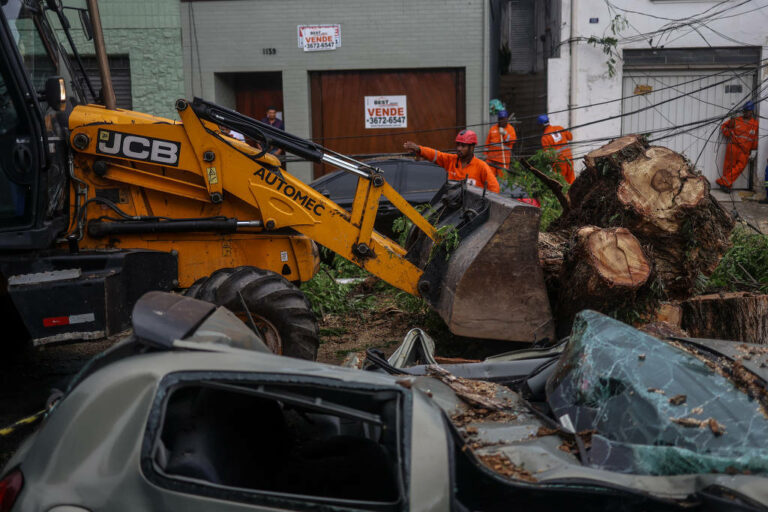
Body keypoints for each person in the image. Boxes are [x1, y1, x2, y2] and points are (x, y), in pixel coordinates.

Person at [403, 130, 500, 193]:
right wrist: (419, 149)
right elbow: (435, 154)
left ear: (472, 147)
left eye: (463, 146)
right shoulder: (451, 160)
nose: (459, 148)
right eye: (458, 145)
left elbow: (494, 189)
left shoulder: (481, 167)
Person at [716, 101, 758, 189]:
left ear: (752, 111)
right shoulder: (735, 120)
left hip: (744, 150)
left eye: (748, 111)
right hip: (733, 146)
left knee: (740, 167)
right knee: (728, 167)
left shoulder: (755, 124)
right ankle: (727, 186)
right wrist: (729, 133)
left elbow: (755, 138)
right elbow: (724, 127)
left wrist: (754, 150)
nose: (746, 112)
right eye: (745, 111)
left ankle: (723, 182)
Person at [538, 114, 575, 184]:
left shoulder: (545, 138)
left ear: (541, 125)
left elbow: (548, 155)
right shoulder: (559, 128)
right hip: (569, 158)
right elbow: (570, 137)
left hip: (558, 162)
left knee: (560, 182)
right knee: (571, 180)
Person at [484, 110, 517, 177]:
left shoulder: (511, 129)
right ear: (498, 119)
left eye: (503, 119)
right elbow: (487, 143)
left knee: (503, 180)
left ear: (507, 119)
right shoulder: (493, 128)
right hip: (491, 160)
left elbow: (513, 141)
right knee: (489, 177)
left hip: (503, 160)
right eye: (500, 119)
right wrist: (485, 155)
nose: (502, 121)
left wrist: (505, 134)